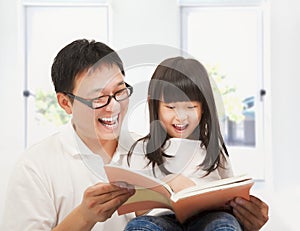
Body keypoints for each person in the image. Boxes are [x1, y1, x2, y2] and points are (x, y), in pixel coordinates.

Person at [118, 57, 269, 231]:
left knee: (224, 224)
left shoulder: (213, 149)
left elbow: (230, 190)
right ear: (155, 104)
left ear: (203, 106)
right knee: (139, 226)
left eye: (190, 107)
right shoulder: (143, 149)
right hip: (162, 220)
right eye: (170, 107)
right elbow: (138, 210)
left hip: (209, 218)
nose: (181, 117)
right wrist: (169, 183)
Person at [1, 39, 136, 230]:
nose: (113, 106)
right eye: (99, 97)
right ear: (65, 103)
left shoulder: (148, 151)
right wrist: (84, 217)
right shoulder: (34, 167)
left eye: (120, 91)